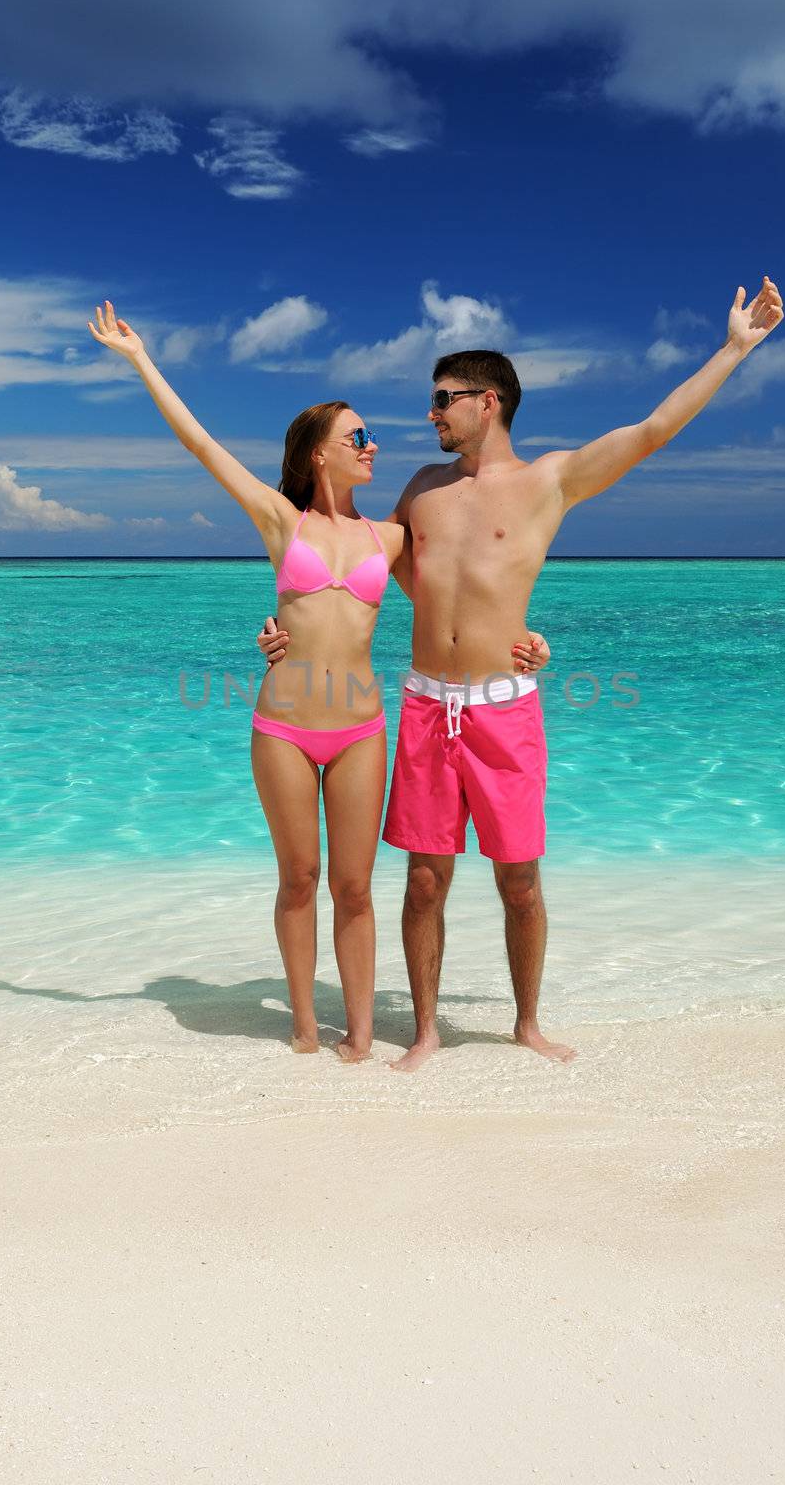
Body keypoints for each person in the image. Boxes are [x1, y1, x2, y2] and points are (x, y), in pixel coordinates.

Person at [260, 278, 785, 1070]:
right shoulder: (420, 492)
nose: (430, 414)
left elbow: (651, 430)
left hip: (505, 707)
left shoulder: (551, 481)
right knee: (426, 881)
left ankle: (526, 1023)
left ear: (488, 403)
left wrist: (735, 349)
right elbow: (352, 569)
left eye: (443, 399)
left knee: (520, 883)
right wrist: (288, 633)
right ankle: (428, 1030)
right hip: (426, 704)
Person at [86, 302, 550, 1063]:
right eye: (356, 438)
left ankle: (363, 1034)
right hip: (284, 724)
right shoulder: (282, 522)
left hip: (364, 724)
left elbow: (461, 592)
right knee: (300, 878)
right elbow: (201, 445)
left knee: (357, 888)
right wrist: (142, 362)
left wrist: (526, 644)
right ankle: (305, 1025)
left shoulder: (392, 533)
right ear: (318, 457)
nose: (373, 444)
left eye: (369, 435)